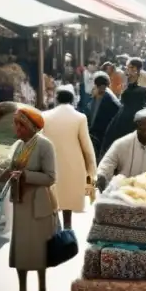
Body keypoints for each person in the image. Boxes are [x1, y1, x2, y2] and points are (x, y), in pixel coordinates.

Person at [1, 106, 57, 291]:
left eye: (21, 125)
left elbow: (51, 177)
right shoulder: (18, 146)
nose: (17, 129)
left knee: (40, 252)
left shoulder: (44, 146)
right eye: (16, 124)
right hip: (21, 203)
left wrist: (26, 175)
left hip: (38, 205)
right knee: (21, 252)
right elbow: (13, 167)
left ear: (32, 127)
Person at [42, 87, 96, 229]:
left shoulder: (44, 116)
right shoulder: (80, 117)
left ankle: (54, 233)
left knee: (52, 201)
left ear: (56, 99)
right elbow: (86, 147)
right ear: (73, 100)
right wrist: (91, 172)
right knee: (67, 204)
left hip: (50, 164)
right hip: (73, 165)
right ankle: (67, 232)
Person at [101, 58, 146, 156]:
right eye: (127, 67)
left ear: (135, 68)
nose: (127, 69)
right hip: (122, 117)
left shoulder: (143, 82)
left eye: (129, 67)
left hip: (135, 119)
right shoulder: (126, 80)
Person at [86, 71, 121, 159]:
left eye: (93, 85)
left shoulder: (109, 101)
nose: (91, 88)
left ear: (99, 87)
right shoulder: (97, 97)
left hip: (103, 144)